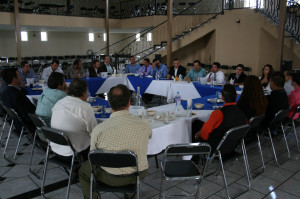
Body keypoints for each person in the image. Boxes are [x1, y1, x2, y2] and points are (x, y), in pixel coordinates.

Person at [79, 84, 152, 199]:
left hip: (108, 176)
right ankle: (130, 193)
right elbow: (149, 136)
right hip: (137, 174)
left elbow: (93, 155)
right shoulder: (144, 124)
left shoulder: (99, 129)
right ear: (129, 103)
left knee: (84, 171)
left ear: (109, 103)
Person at [191, 84, 246, 163]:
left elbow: (204, 134)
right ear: (236, 95)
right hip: (232, 145)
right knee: (200, 124)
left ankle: (195, 157)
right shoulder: (241, 111)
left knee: (195, 124)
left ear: (222, 97)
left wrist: (198, 134)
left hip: (216, 147)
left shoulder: (219, 113)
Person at [51, 78, 97, 162]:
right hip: (74, 154)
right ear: (83, 93)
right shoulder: (85, 107)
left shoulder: (59, 103)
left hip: (56, 149)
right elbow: (94, 133)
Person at [1, 68, 36, 133]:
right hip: (27, 123)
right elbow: (31, 110)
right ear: (14, 79)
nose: (21, 78)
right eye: (19, 76)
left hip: (17, 122)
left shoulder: (5, 93)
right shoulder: (18, 95)